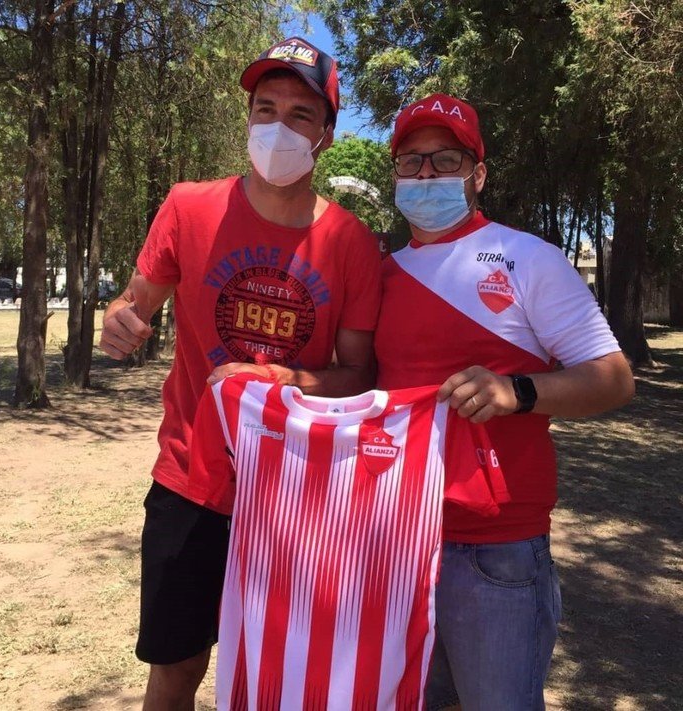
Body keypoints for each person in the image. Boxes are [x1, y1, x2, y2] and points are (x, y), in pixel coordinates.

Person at [99, 36, 382, 711]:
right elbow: (133, 303)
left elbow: (361, 373)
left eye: (300, 114)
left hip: (298, 494)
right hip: (190, 482)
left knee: (287, 675)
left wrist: (292, 381)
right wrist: (118, 320)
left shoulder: (351, 243)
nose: (277, 127)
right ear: (247, 117)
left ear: (327, 136)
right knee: (176, 667)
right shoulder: (190, 207)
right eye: (265, 108)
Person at [375, 93, 635, 710]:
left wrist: (515, 391)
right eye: (410, 163)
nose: (426, 175)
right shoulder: (379, 272)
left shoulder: (530, 259)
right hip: (394, 534)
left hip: (497, 547)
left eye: (444, 160)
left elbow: (614, 378)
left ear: (478, 174)